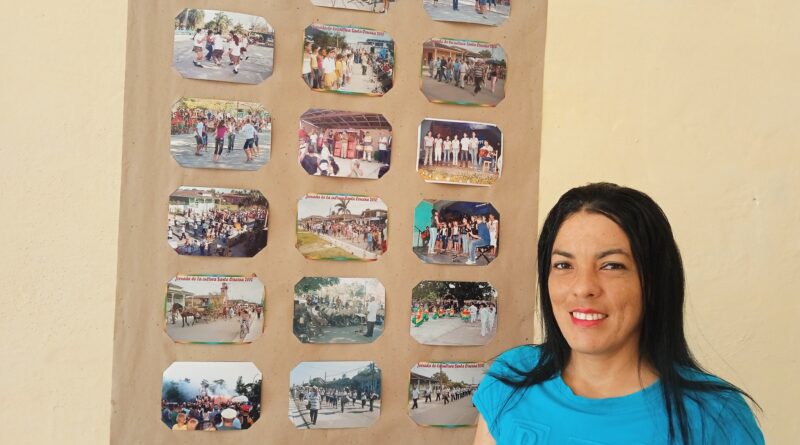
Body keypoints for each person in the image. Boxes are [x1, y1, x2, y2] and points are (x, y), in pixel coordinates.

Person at [471, 183, 764, 445]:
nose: (583, 287)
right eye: (563, 265)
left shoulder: (716, 416)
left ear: (654, 283)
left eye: (612, 266)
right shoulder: (511, 378)